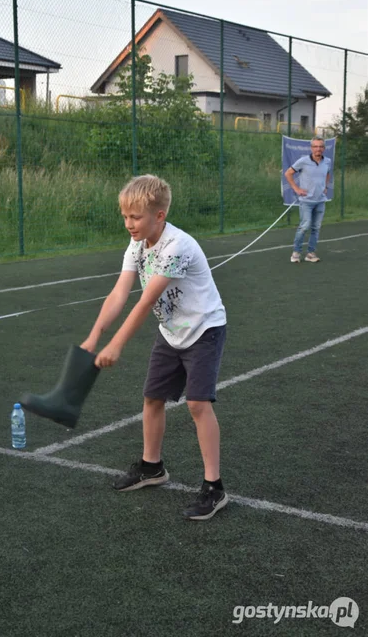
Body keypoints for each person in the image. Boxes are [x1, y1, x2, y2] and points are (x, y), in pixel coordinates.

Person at [80, 174, 228, 521]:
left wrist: (116, 345)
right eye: (125, 216)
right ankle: (152, 467)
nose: (128, 224)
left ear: (159, 216)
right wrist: (94, 335)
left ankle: (214, 488)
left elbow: (145, 302)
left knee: (197, 403)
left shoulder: (178, 246)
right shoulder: (137, 243)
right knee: (152, 397)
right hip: (171, 331)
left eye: (135, 217)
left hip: (204, 328)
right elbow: (119, 293)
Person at [284, 137, 332, 263]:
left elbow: (328, 173)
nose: (318, 149)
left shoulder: (327, 161)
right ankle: (296, 253)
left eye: (321, 146)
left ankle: (310, 254)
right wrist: (296, 188)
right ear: (311, 148)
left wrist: (325, 187)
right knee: (304, 226)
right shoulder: (303, 161)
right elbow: (288, 173)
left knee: (316, 227)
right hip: (306, 201)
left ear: (324, 148)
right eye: (315, 146)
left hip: (320, 201)